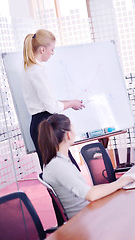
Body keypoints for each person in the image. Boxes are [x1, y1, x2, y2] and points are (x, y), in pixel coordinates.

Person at [38, 114, 134, 218]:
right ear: (69, 135)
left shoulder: (58, 161)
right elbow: (90, 195)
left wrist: (118, 184)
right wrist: (120, 183)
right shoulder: (58, 165)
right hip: (84, 219)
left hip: (88, 213)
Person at [22, 29, 85, 170]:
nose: (52, 53)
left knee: (59, 171)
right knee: (64, 172)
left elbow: (47, 102)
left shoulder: (29, 69)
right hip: (44, 125)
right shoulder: (36, 71)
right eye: (52, 49)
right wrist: (71, 103)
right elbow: (51, 107)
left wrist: (69, 102)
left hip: (41, 124)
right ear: (43, 49)